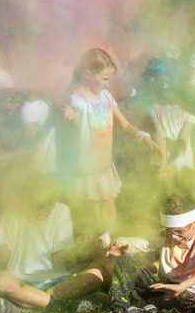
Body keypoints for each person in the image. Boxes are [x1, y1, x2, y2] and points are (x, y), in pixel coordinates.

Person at [86, 193, 195, 313]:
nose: (174, 237)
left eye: (179, 231)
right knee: (126, 262)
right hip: (164, 292)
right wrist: (126, 244)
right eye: (169, 231)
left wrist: (182, 286)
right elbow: (145, 243)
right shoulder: (168, 235)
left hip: (190, 298)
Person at [62, 48, 162, 234]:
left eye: (109, 80)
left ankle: (108, 246)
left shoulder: (106, 97)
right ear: (87, 74)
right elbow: (76, 123)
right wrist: (70, 115)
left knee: (110, 211)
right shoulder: (78, 99)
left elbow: (124, 124)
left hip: (105, 167)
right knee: (95, 216)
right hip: (88, 171)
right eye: (105, 79)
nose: (107, 85)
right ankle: (98, 249)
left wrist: (143, 136)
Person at [0, 173, 105, 313]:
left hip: (56, 284)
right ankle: (66, 306)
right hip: (21, 281)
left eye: (51, 203)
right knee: (1, 280)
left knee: (95, 274)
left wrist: (77, 250)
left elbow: (58, 257)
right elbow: (4, 256)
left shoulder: (61, 211)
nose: (49, 209)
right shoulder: (13, 214)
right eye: (42, 207)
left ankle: (27, 305)